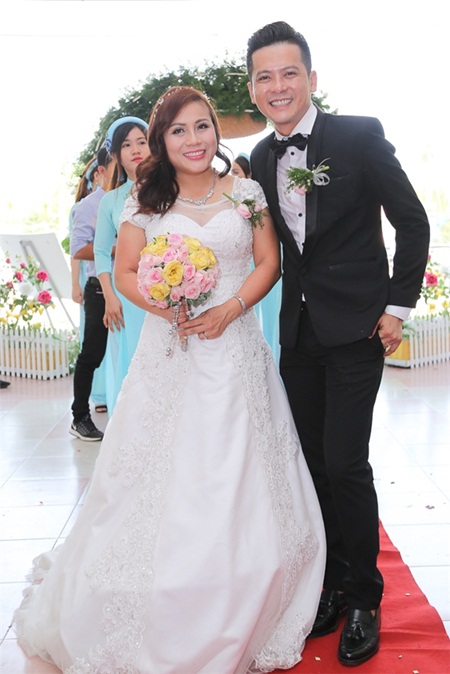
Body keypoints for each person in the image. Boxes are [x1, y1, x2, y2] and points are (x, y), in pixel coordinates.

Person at [13, 85, 326, 673]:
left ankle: (250, 579)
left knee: (242, 468)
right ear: (162, 139)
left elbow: (269, 262)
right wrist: (165, 304)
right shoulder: (145, 200)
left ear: (216, 132)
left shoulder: (246, 192)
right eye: (178, 130)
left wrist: (231, 308)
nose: (193, 139)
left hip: (236, 349)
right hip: (171, 349)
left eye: (202, 126)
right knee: (159, 472)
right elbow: (127, 270)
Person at [246, 21, 430, 667]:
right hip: (297, 333)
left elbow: (412, 222)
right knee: (314, 466)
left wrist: (397, 307)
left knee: (346, 463)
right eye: (265, 76)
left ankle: (365, 599)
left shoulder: (357, 136)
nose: (278, 86)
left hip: (357, 328)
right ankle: (328, 584)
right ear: (253, 89)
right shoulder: (259, 159)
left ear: (311, 79)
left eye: (289, 73)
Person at [93, 116, 149, 415]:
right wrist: (110, 296)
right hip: (126, 298)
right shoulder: (111, 200)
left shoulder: (171, 189)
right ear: (115, 154)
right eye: (127, 145)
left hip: (168, 292)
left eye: (141, 141)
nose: (135, 149)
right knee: (129, 365)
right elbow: (101, 251)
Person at [69, 147, 115, 441]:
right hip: (100, 289)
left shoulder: (134, 199)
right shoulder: (89, 206)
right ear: (101, 172)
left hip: (131, 289)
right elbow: (78, 249)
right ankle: (80, 416)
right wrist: (118, 248)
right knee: (92, 354)